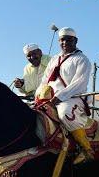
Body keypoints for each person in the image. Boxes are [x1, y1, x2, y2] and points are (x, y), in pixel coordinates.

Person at [36, 27, 94, 164]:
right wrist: (38, 95)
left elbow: (79, 83)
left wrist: (60, 96)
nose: (65, 42)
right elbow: (45, 80)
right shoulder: (54, 59)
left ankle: (86, 150)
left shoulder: (82, 59)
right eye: (62, 39)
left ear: (76, 40)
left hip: (73, 98)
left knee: (64, 113)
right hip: (52, 98)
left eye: (69, 39)